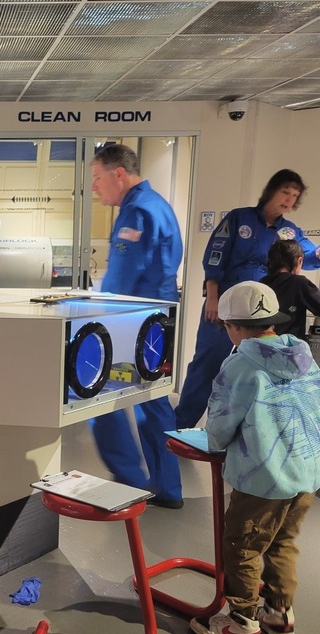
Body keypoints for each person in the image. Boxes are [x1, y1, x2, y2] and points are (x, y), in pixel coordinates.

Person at [191, 281, 320, 634]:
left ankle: (242, 622)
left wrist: (213, 443)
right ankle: (280, 616)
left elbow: (220, 422)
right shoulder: (302, 354)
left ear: (232, 326)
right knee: (282, 542)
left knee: (243, 546)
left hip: (264, 478)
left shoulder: (240, 363)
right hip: (308, 472)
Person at [174, 169, 320, 429]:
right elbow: (215, 256)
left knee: (253, 368)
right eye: (285, 192)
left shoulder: (288, 231)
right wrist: (212, 298)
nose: (288, 199)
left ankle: (232, 430)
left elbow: (307, 255)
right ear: (271, 191)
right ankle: (181, 427)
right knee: (207, 364)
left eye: (294, 196)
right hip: (225, 305)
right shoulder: (238, 218)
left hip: (260, 312)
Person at [89, 143, 183, 507]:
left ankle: (129, 479)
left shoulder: (137, 212)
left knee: (96, 396)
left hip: (135, 325)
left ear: (118, 174)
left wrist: (93, 313)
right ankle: (166, 487)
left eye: (98, 178)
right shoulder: (157, 204)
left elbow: (121, 281)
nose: (95, 187)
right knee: (153, 403)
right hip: (157, 322)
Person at [260, 240, 320, 340]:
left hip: (263, 344)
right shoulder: (299, 282)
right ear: (299, 261)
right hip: (289, 346)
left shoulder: (262, 282)